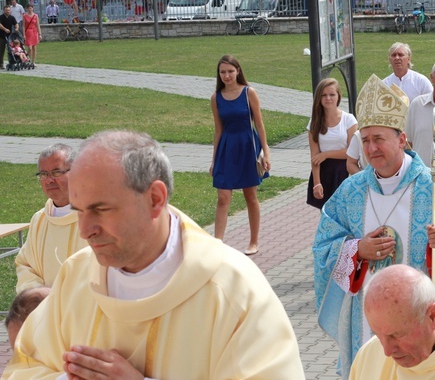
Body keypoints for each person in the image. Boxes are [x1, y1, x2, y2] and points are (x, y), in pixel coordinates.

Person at [4, 130, 304, 379]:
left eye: (100, 209)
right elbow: (24, 366)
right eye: (79, 210)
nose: (85, 230)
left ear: (155, 199)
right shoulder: (77, 276)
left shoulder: (233, 291)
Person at [313, 74, 435, 378]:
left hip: (417, 323)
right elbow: (323, 247)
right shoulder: (350, 192)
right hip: (368, 322)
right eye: (365, 141)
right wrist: (356, 251)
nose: (371, 149)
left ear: (401, 139)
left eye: (378, 139)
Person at [210, 55, 270, 255]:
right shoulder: (216, 97)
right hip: (226, 148)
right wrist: (214, 160)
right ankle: (217, 241)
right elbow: (218, 130)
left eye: (230, 71)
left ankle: (254, 242)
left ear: (238, 71)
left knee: (250, 196)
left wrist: (266, 152)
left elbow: (259, 125)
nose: (227, 75)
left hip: (247, 146)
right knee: (223, 196)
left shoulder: (248, 93)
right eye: (223, 72)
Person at [15, 143, 88, 293]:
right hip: (45, 310)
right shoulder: (40, 220)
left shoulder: (98, 218)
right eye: (43, 174)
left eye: (56, 172)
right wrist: (37, 294)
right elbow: (25, 265)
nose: (48, 180)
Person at [307, 78, 357, 209]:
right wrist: (317, 183)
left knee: (343, 212)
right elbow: (315, 156)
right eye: (323, 95)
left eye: (332, 94)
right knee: (326, 213)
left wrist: (326, 154)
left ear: (338, 96)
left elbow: (352, 152)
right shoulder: (314, 122)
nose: (328, 98)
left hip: (344, 170)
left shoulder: (349, 120)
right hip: (324, 172)